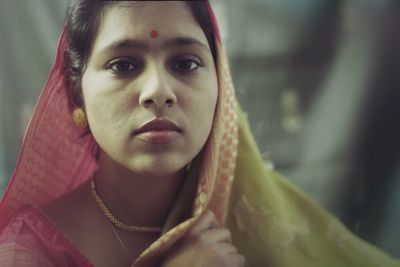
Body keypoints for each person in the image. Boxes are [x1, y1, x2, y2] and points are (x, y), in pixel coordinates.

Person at [0, 1, 398, 267]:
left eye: (186, 63)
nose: (158, 91)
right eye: (123, 65)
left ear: (221, 88)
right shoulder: (28, 252)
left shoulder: (258, 220)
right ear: (76, 94)